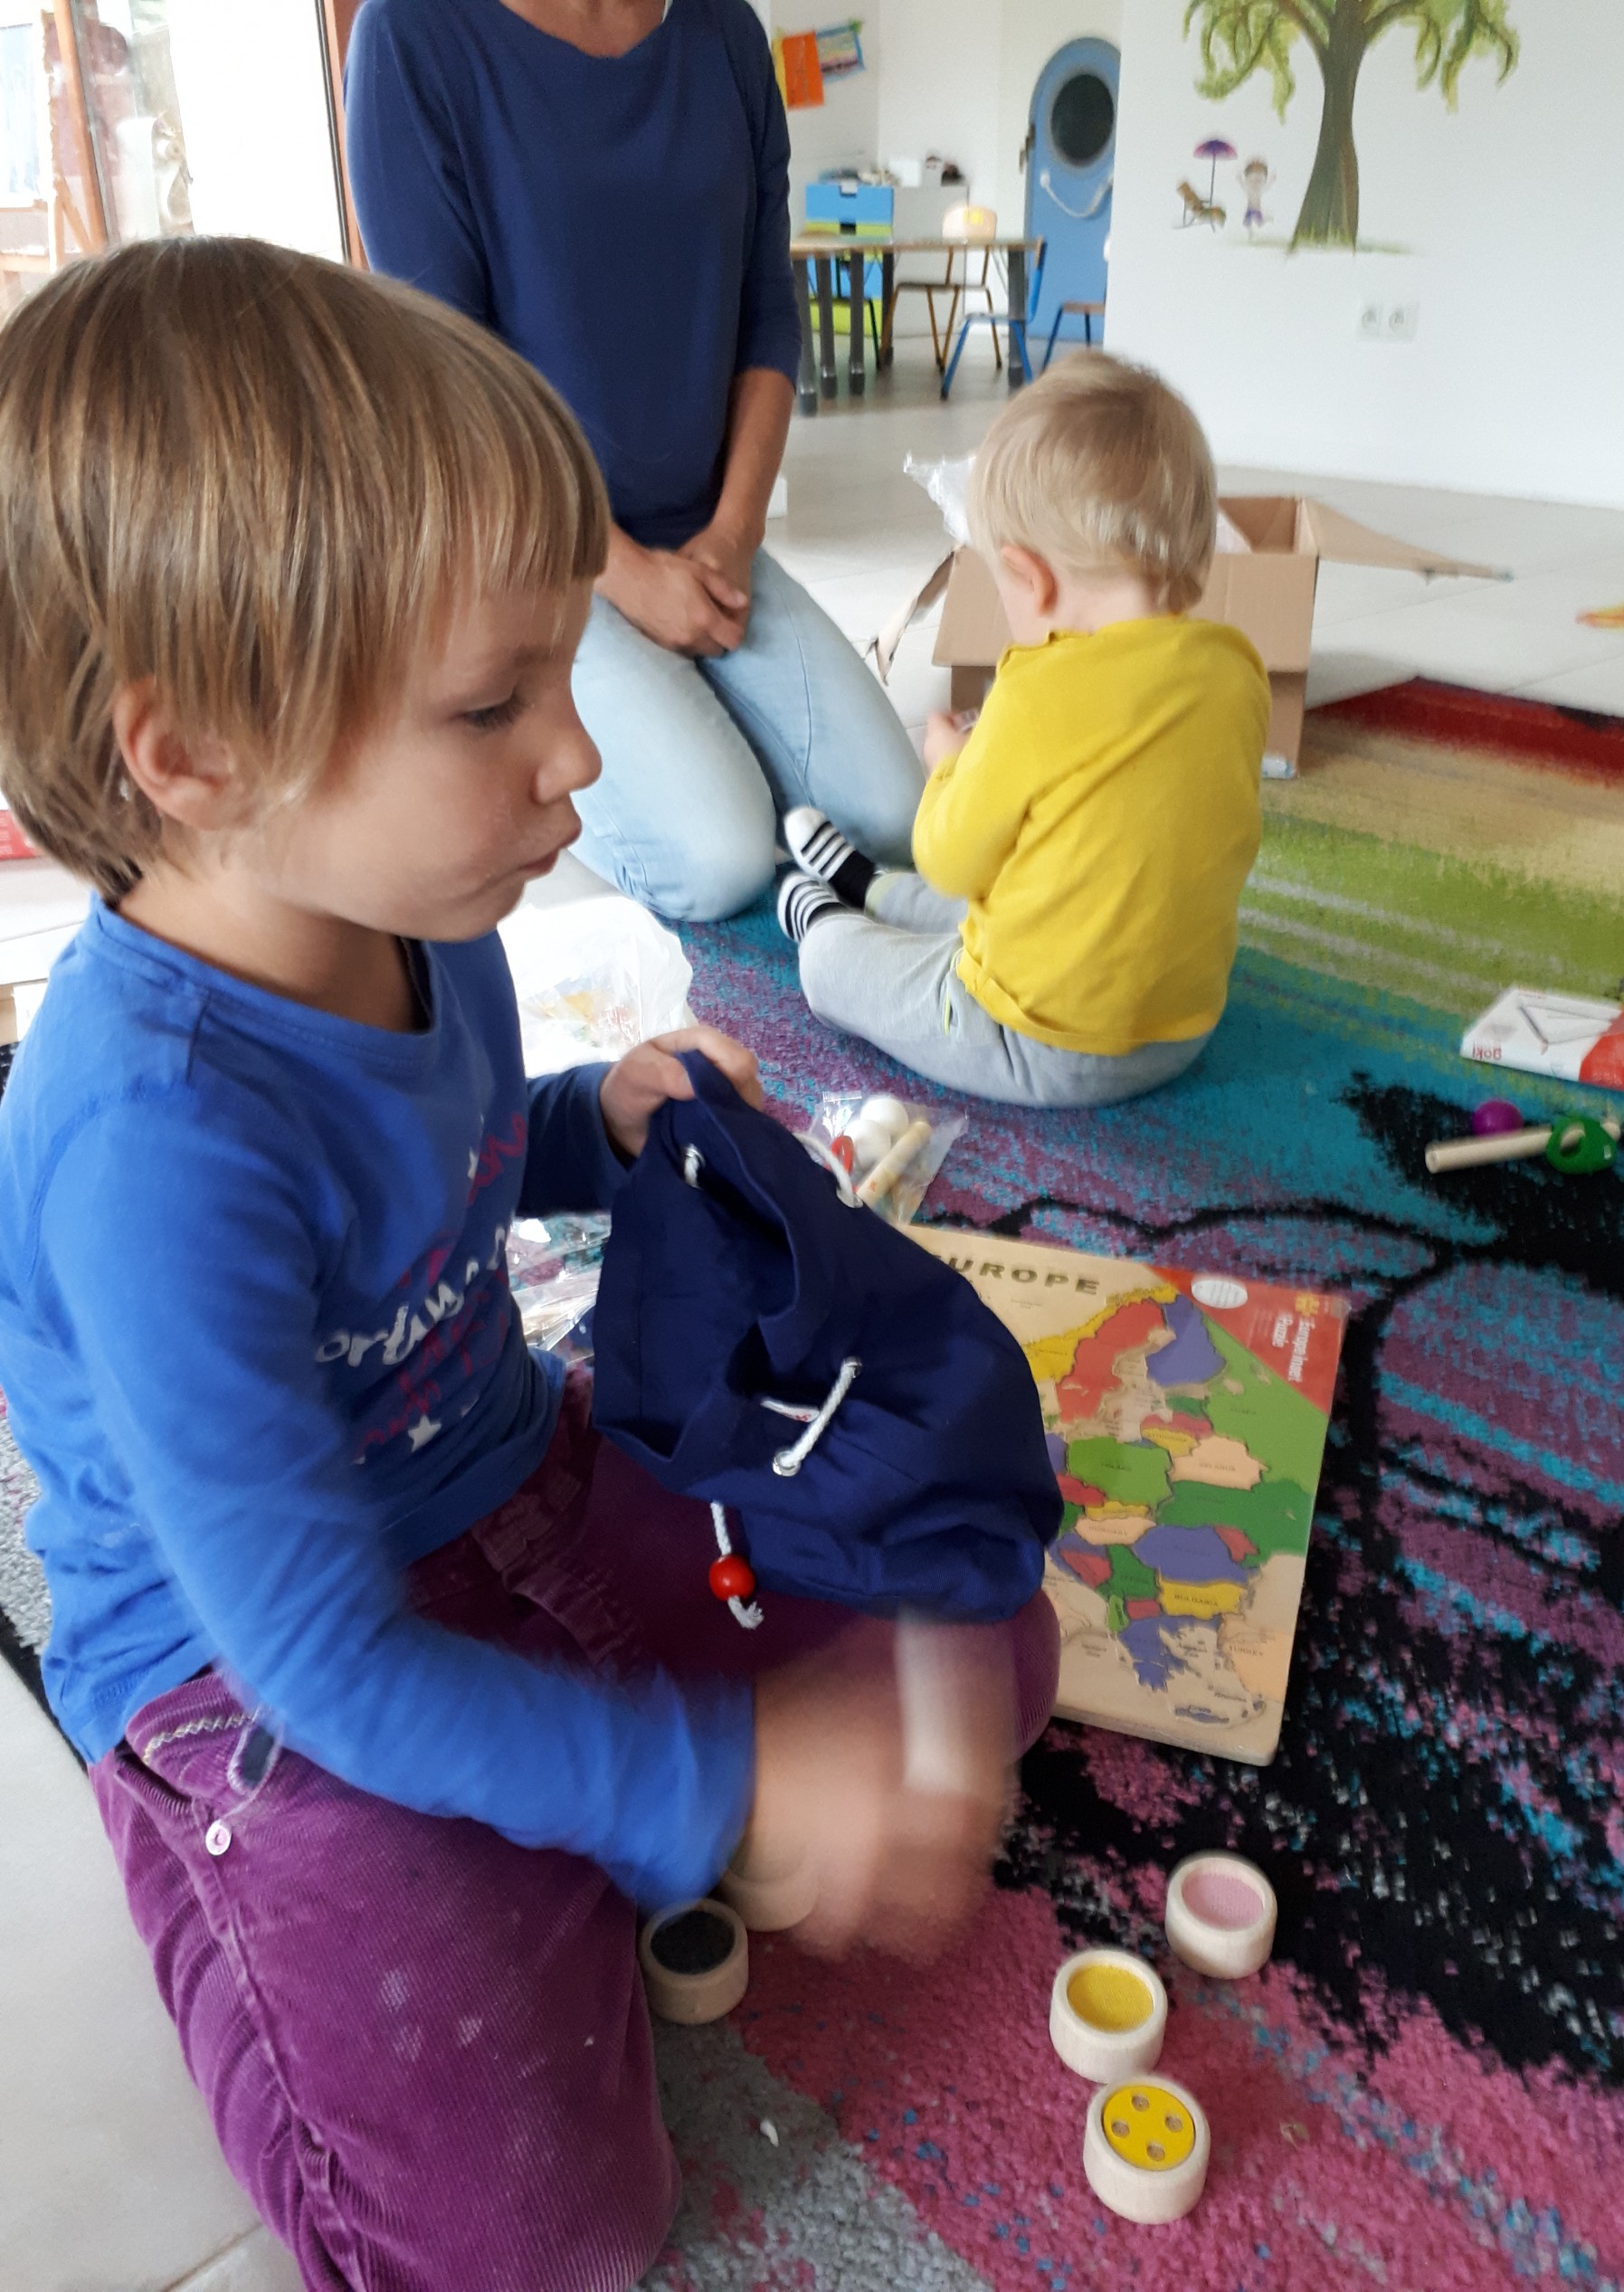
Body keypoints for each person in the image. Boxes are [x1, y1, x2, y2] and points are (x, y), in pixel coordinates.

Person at [0, 241, 1056, 2292]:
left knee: (976, 1649)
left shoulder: (427, 911)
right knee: (530, 2234)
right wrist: (716, 1781)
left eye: (561, 673)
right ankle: (262, 1930)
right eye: (494, 704)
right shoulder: (149, 1145)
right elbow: (327, 1663)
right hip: (260, 1674)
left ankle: (551, 1816)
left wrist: (595, 1115)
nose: (575, 755)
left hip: (516, 1484)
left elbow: (442, 1167)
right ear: (190, 758)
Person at [344, 0, 926, 923]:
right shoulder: (412, 35)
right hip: (530, 559)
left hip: (707, 535)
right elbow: (444, 384)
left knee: (895, 816)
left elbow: (769, 315)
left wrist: (733, 535)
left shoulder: (727, 33)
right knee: (721, 858)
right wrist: (625, 575)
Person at [775, 354, 1271, 1108]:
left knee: (830, 967)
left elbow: (950, 860)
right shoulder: (1237, 667)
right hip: (1182, 1029)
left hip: (1037, 1041)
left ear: (1031, 578)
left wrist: (949, 762)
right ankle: (867, 885)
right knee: (1019, 890)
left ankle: (829, 914)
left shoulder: (1037, 690)